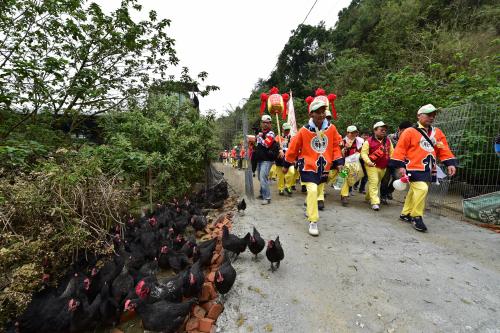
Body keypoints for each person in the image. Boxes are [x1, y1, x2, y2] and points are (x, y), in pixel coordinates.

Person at [390, 104, 457, 232]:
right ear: (419, 116)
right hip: (412, 167)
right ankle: (416, 216)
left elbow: (443, 149)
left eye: (433, 115)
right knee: (422, 188)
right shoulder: (409, 131)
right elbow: (400, 149)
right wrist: (400, 166)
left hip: (428, 168)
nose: (431, 117)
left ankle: (405, 213)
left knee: (414, 191)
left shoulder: (437, 133)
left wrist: (450, 163)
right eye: (428, 114)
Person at [285, 98, 343, 236]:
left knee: (317, 191)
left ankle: (309, 207)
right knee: (312, 191)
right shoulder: (304, 131)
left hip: (324, 167)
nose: (321, 114)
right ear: (311, 114)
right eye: (318, 112)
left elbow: (335, 146)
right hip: (308, 166)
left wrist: (339, 162)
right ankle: (313, 220)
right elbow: (293, 148)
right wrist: (287, 164)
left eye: (323, 111)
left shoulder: (331, 128)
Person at [361, 121, 394, 211]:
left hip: (383, 166)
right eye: (381, 130)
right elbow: (363, 153)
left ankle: (368, 197)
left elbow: (392, 152)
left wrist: (393, 161)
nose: (384, 131)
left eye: (385, 130)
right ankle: (375, 202)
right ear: (375, 130)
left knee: (375, 183)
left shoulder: (387, 140)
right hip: (371, 165)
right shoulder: (368, 141)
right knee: (374, 181)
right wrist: (368, 162)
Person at [380, 120, 413, 203]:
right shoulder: (389, 137)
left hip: (399, 163)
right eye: (404, 130)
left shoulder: (410, 140)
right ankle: (383, 196)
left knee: (398, 178)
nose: (406, 133)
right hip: (388, 162)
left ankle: (389, 192)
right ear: (399, 129)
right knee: (385, 179)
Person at [254, 114, 280, 205]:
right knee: (260, 178)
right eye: (263, 122)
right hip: (260, 159)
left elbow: (266, 144)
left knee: (262, 177)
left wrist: (259, 137)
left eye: (267, 123)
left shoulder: (271, 133)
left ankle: (267, 197)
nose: (265, 124)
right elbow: (257, 145)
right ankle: (262, 193)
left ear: (270, 124)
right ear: (261, 123)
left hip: (267, 160)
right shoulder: (261, 133)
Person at [339, 125, 364, 206]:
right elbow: (339, 153)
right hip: (344, 163)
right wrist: (344, 149)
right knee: (343, 178)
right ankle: (344, 195)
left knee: (353, 178)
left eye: (355, 132)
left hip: (355, 164)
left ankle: (345, 192)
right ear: (347, 133)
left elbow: (362, 152)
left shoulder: (360, 141)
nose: (353, 134)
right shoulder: (342, 141)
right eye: (351, 133)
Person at [275, 123, 295, 196]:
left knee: (292, 172)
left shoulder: (291, 138)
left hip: (289, 158)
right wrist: (279, 150)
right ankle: (281, 188)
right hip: (280, 158)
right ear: (282, 129)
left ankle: (288, 186)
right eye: (286, 129)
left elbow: (293, 147)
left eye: (288, 129)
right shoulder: (278, 137)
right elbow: (274, 146)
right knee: (280, 175)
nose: (287, 131)